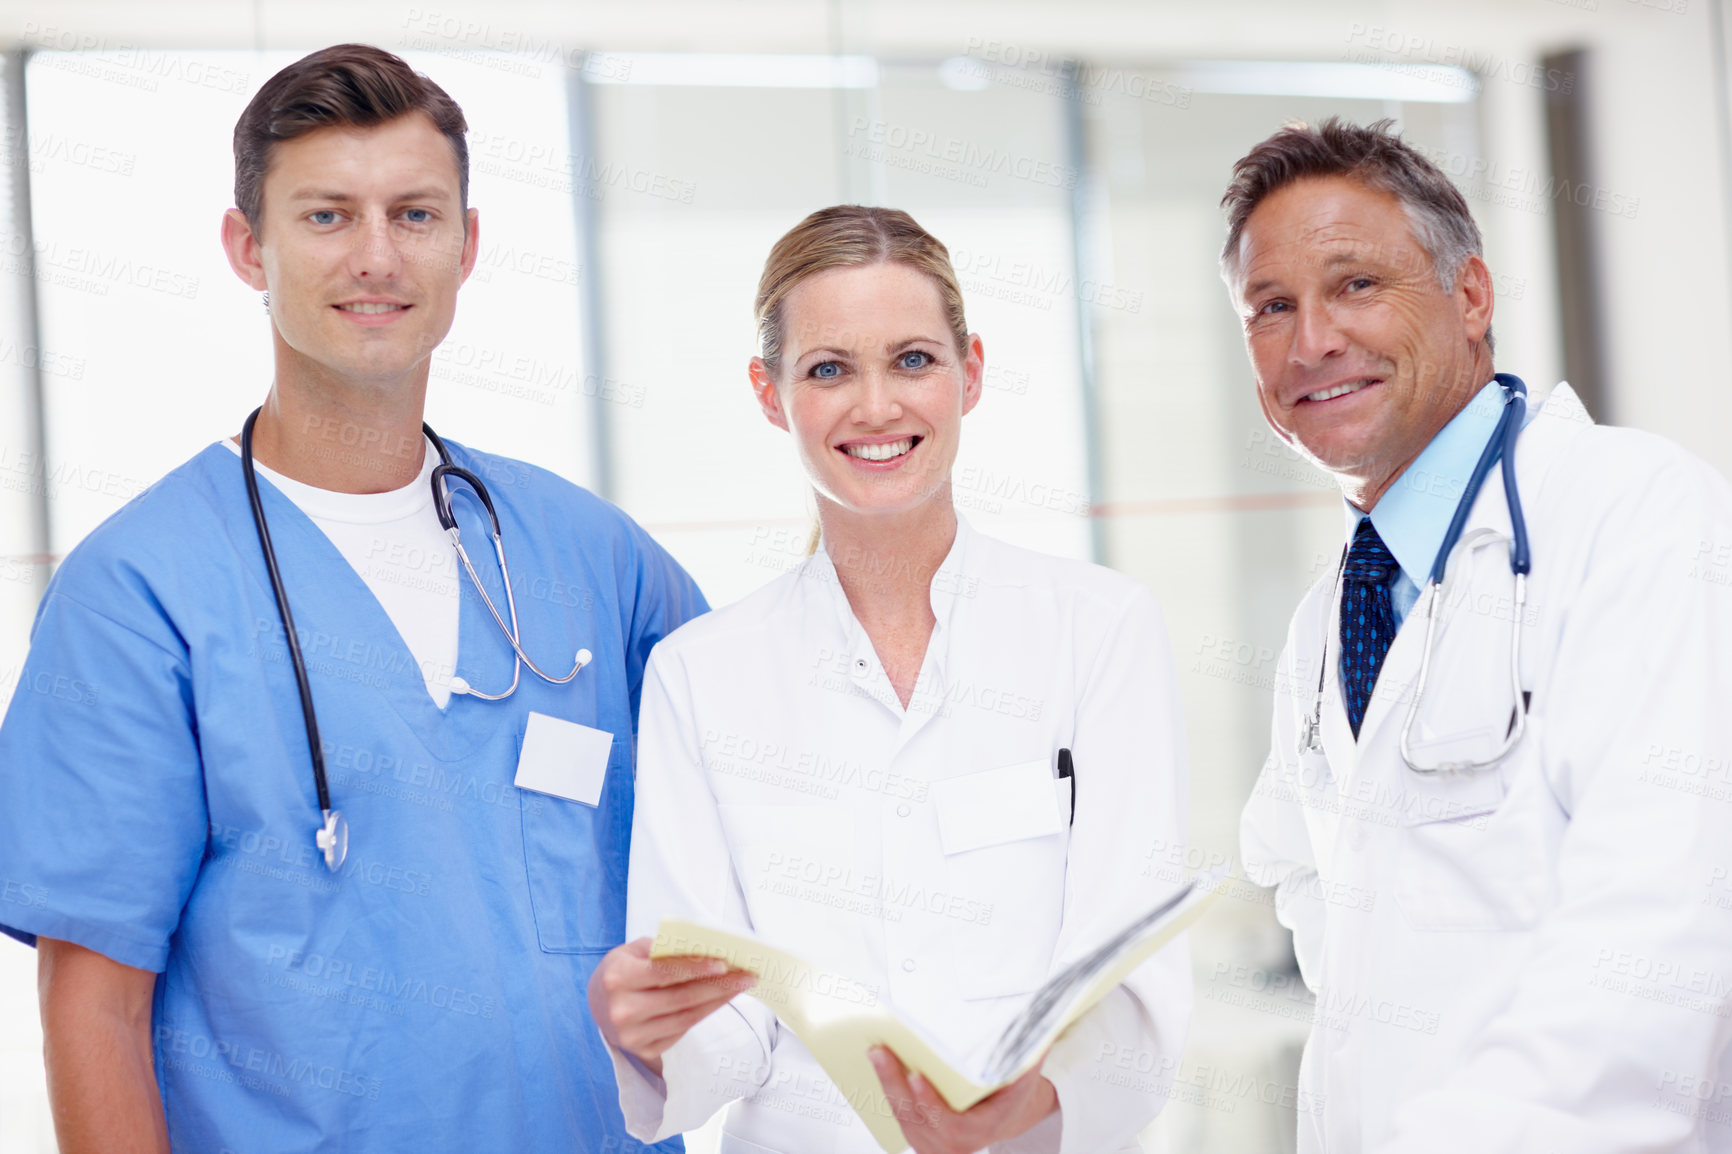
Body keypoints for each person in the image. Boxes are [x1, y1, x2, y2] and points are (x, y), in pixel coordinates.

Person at [0, 44, 704, 1153]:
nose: (377, 256)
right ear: (248, 248)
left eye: (415, 215)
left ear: (467, 247)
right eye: (326, 216)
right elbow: (94, 1003)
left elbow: (759, 799)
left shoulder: (592, 557)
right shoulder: (139, 594)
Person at [585, 205, 1193, 1154]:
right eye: (829, 369)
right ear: (769, 392)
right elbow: (727, 1027)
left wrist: (1024, 1106)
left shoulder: (1099, 630)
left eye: (913, 359)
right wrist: (652, 1033)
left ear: (972, 371)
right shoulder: (701, 676)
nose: (877, 406)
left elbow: (1134, 988)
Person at [1229, 118, 1732, 1152]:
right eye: (1270, 306)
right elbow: (1303, 868)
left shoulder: (1642, 520)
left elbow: (1661, 934)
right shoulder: (1331, 611)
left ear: (1469, 298)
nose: (1311, 340)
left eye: (1356, 284)